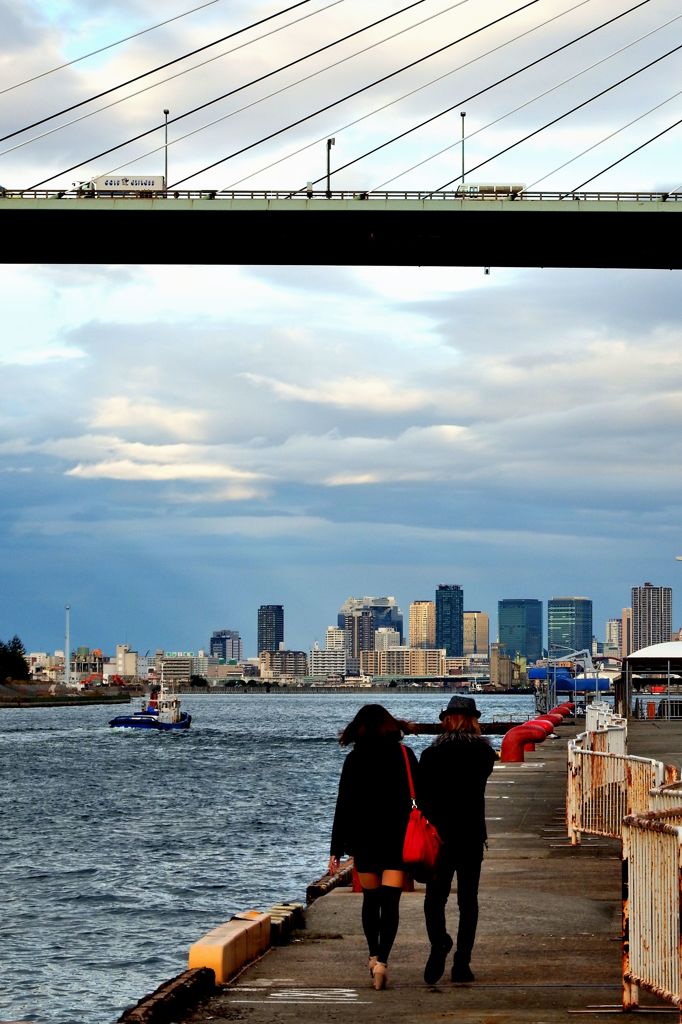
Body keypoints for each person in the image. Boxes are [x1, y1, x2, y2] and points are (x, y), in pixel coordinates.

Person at [328, 704, 418, 990]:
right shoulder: (405, 755)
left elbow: (343, 806)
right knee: (391, 903)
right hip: (397, 838)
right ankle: (383, 962)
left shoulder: (354, 760)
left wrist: (336, 848)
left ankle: (372, 954)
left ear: (360, 728)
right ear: (390, 725)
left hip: (364, 840)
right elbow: (423, 798)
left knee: (371, 900)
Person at [417, 694, 497, 986]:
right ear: (474, 720)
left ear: (446, 720)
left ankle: (439, 942)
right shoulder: (484, 754)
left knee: (434, 899)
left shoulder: (430, 755)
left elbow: (422, 797)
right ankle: (462, 963)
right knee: (468, 901)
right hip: (471, 834)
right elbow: (483, 776)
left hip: (439, 837)